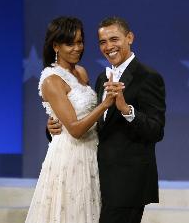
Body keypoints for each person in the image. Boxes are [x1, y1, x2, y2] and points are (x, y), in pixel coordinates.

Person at [48, 16, 166, 223]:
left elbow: (156, 130)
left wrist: (126, 109)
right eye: (103, 42)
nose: (108, 46)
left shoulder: (147, 77)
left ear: (129, 38)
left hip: (128, 183)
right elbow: (95, 123)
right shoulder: (103, 79)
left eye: (114, 39)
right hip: (99, 179)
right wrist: (55, 127)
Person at [25, 16, 124, 223]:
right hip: (69, 156)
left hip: (90, 153)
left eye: (80, 41)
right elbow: (76, 130)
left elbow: (82, 113)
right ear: (56, 46)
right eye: (70, 43)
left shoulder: (81, 72)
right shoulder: (52, 80)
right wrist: (105, 104)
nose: (77, 48)